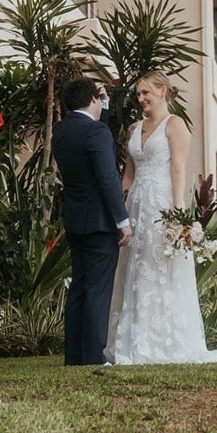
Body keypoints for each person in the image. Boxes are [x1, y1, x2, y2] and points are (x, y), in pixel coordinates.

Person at [104, 71, 217, 364]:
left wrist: (176, 215)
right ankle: (131, 342)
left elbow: (178, 170)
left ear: (163, 91)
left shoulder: (175, 126)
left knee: (158, 270)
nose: (140, 99)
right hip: (136, 208)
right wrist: (119, 211)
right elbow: (128, 174)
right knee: (134, 271)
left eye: (145, 93)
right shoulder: (133, 129)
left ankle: (159, 345)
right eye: (138, 94)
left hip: (161, 205)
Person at [53, 77, 127, 367]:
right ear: (93, 99)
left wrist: (104, 107)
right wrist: (122, 221)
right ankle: (95, 356)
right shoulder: (95, 132)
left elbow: (94, 137)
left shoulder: (61, 130)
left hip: (75, 221)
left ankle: (75, 356)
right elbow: (108, 177)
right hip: (100, 221)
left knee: (80, 288)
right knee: (98, 289)